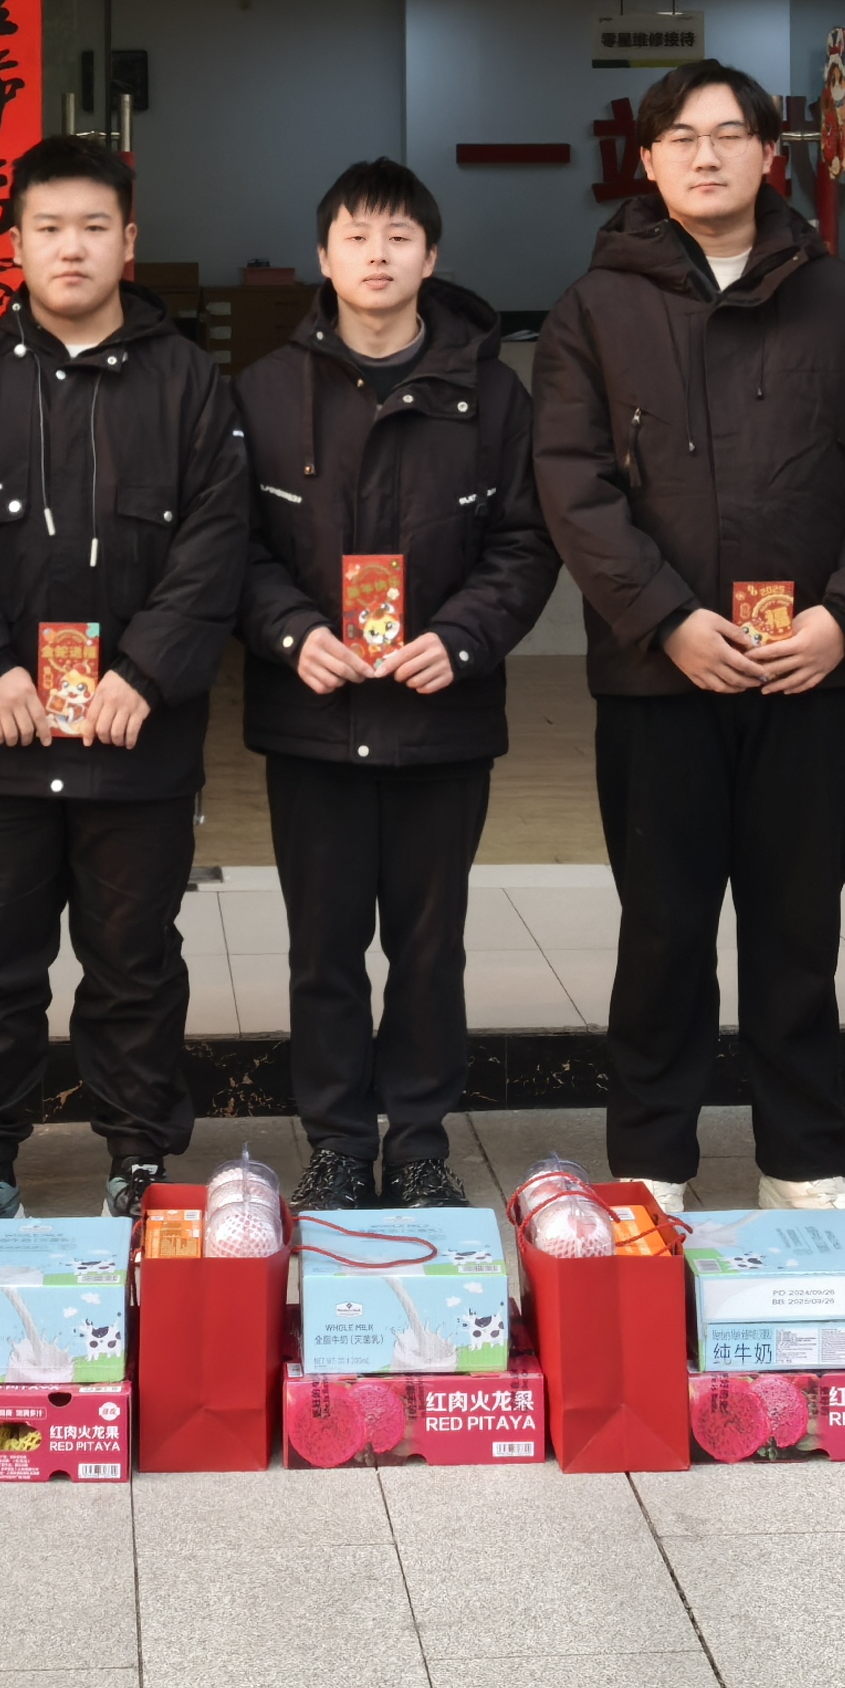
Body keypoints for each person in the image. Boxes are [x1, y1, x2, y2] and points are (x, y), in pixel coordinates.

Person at [533, 60, 845, 1213]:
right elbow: (571, 485)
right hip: (659, 675)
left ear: (772, 157)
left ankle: (801, 1159)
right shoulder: (593, 309)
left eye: (729, 135)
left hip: (809, 670)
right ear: (646, 161)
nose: (705, 156)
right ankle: (651, 1159)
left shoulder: (844, 301)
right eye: (681, 137)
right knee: (661, 929)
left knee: (797, 927)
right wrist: (665, 619)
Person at [0, 136, 252, 1219]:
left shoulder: (189, 382)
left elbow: (216, 543)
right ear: (13, 244)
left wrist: (145, 673)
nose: (70, 248)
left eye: (94, 227)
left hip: (135, 735)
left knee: (134, 960)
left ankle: (139, 1154)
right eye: (48, 228)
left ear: (128, 240)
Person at [237, 158, 556, 1211]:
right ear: (322, 257)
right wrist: (291, 632)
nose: (377, 256)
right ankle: (335, 1144)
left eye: (399, 237)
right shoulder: (263, 391)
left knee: (429, 950)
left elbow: (526, 542)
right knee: (322, 950)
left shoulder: (494, 395)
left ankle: (419, 1146)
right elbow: (230, 545)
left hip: (439, 721)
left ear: (432, 256)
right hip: (313, 718)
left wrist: (461, 639)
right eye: (356, 237)